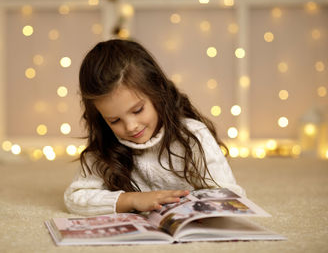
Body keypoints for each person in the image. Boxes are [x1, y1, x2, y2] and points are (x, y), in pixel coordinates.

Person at [64, 39, 245, 216]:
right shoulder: (105, 145)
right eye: (114, 120)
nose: (131, 126)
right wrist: (133, 199)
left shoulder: (193, 135)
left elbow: (230, 193)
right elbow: (75, 197)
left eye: (138, 110)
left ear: (157, 90)